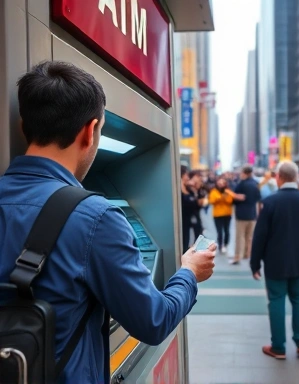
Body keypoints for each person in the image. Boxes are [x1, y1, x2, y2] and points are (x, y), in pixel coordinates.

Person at [0, 61, 216, 383]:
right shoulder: (95, 217)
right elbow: (153, 320)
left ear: (23, 126)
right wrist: (189, 273)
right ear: (89, 130)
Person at [250, 161, 299, 360]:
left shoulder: (270, 202)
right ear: (297, 177)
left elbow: (260, 236)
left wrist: (255, 263)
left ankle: (278, 347)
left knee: (276, 300)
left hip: (276, 262)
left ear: (279, 177)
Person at [232, 166, 261, 265]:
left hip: (241, 214)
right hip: (252, 214)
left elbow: (235, 198)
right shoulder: (256, 184)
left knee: (240, 237)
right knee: (249, 237)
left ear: (244, 173)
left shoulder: (241, 184)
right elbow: (258, 199)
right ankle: (247, 254)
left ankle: (237, 256)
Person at [209, 177, 239, 254]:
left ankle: (225, 244)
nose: (221, 185)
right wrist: (220, 198)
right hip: (217, 215)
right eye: (219, 183)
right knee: (219, 231)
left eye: (223, 183)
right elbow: (212, 201)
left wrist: (222, 198)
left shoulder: (228, 191)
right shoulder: (214, 191)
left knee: (227, 230)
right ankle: (220, 245)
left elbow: (230, 200)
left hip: (227, 214)